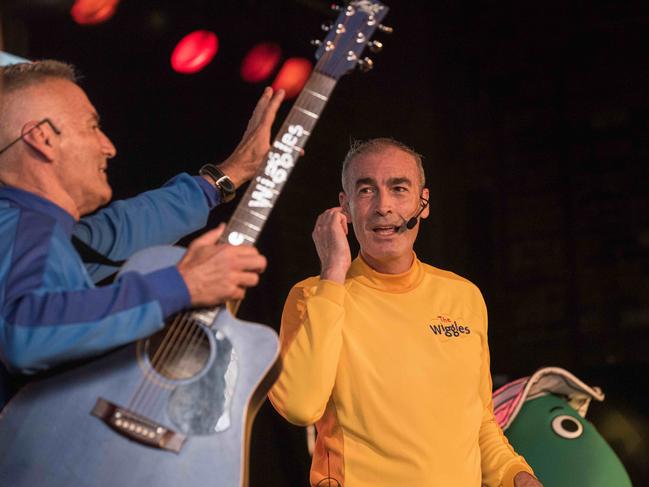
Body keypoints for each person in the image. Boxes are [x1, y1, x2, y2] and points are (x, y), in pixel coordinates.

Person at [0, 60, 284, 409]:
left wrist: (231, 173)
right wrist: (184, 284)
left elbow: (124, 228)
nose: (108, 146)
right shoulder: (26, 226)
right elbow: (26, 331)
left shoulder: (35, 230)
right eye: (92, 126)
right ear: (43, 139)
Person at [269, 138, 543, 486]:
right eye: (366, 190)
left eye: (399, 188)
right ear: (346, 208)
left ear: (423, 202)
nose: (383, 206)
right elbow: (298, 406)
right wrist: (333, 273)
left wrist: (513, 474)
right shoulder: (313, 296)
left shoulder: (463, 296)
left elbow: (479, 423)